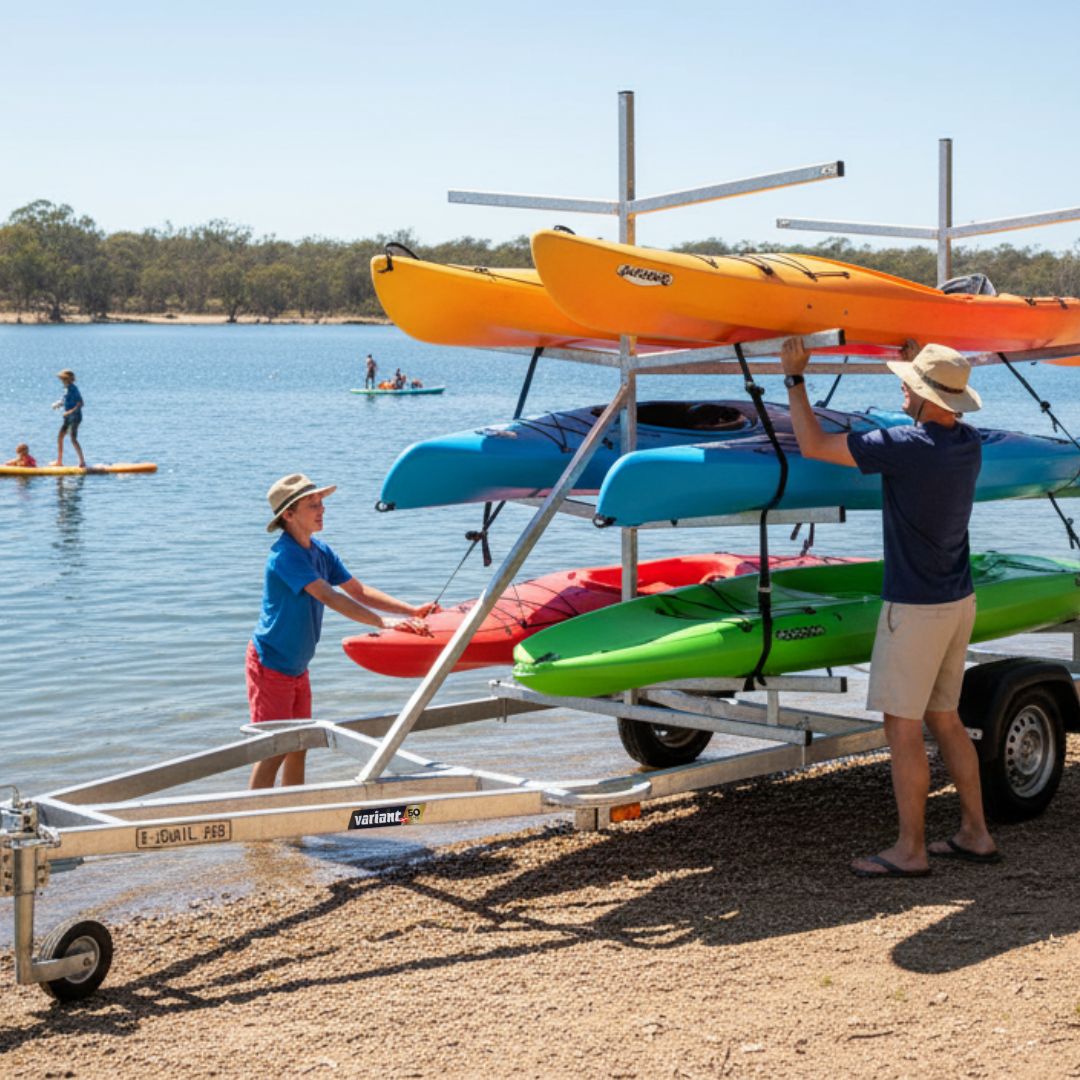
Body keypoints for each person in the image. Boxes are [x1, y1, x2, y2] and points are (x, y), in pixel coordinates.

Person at [779, 336, 999, 878]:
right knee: (945, 719)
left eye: (910, 384)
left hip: (916, 609)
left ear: (926, 397)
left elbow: (812, 445)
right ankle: (976, 832)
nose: (902, 387)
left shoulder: (905, 446)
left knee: (901, 727)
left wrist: (795, 378)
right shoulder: (966, 442)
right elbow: (925, 425)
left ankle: (910, 850)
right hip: (958, 601)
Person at [247, 473, 437, 789]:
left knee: (299, 747)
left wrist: (410, 611)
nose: (322, 510)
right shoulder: (285, 556)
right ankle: (255, 828)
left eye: (321, 503)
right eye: (312, 505)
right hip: (270, 665)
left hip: (296, 667)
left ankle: (295, 817)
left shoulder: (321, 551)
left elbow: (357, 591)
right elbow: (329, 595)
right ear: (288, 515)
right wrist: (382, 623)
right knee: (273, 751)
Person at [51, 369, 85, 468]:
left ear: (68, 379)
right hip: (67, 418)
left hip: (75, 417)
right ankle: (59, 461)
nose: (61, 381)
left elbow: (81, 403)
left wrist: (69, 412)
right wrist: (59, 404)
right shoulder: (66, 389)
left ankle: (82, 462)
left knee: (73, 439)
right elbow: (65, 399)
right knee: (60, 437)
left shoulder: (74, 389)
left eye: (62, 379)